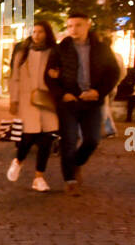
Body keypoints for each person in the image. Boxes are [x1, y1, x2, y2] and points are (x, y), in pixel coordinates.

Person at [45, 12, 119, 194]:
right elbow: (49, 77)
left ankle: (76, 162)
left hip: (92, 101)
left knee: (93, 140)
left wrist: (98, 92)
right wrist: (62, 94)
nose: (73, 29)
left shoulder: (101, 48)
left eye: (78, 25)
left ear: (88, 25)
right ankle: (70, 180)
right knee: (68, 140)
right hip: (69, 102)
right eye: (70, 26)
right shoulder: (60, 49)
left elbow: (113, 73)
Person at [6, 20, 60, 192]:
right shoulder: (22, 52)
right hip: (26, 100)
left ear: (47, 33)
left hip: (47, 100)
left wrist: (56, 75)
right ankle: (18, 160)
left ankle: (39, 177)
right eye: (34, 31)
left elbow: (62, 74)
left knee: (47, 138)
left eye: (41, 32)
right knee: (28, 136)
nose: (37, 35)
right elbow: (14, 77)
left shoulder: (54, 52)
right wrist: (13, 99)